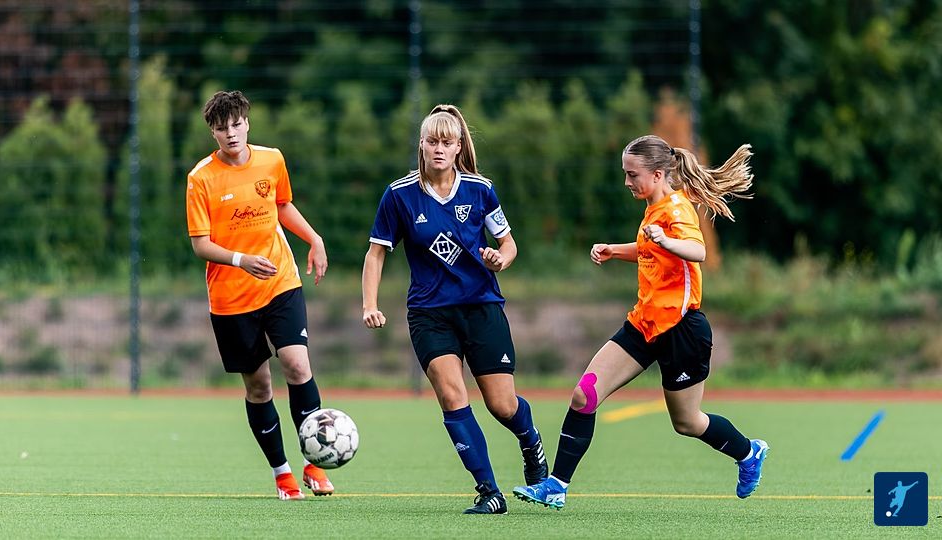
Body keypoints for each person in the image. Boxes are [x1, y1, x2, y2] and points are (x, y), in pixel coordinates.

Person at [513, 134, 768, 509]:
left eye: (632, 175)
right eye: (625, 173)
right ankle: (556, 486)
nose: (627, 182)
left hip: (681, 330)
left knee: (687, 422)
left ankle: (748, 452)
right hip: (644, 324)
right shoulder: (653, 209)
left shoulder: (677, 209)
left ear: (658, 174)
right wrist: (614, 250)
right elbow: (651, 249)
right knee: (584, 395)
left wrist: (666, 240)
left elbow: (696, 250)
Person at [361, 104, 548, 515]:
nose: (439, 149)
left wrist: (500, 259)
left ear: (459, 146)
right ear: (422, 145)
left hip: (481, 307)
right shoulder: (399, 195)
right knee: (451, 394)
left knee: (501, 405)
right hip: (429, 314)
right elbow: (376, 253)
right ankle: (489, 491)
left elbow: (508, 244)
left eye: (447, 142)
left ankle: (530, 439)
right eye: (432, 141)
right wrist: (369, 304)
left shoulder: (480, 189)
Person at [185, 90, 334, 500]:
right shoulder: (201, 178)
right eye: (222, 128)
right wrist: (241, 260)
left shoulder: (272, 160)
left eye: (236, 124)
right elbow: (200, 244)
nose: (231, 133)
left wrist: (314, 238)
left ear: (247, 123)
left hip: (280, 281)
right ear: (213, 132)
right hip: (231, 297)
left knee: (297, 365)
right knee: (259, 388)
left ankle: (314, 463)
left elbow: (281, 205)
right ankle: (283, 474)